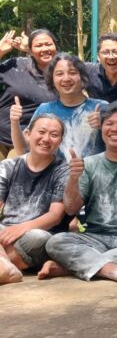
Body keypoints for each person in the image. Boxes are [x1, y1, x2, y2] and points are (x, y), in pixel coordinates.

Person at [41, 101, 117, 286]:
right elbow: (71, 208)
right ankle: (114, 271)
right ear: (101, 128)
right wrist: (73, 179)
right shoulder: (88, 164)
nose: (115, 129)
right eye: (109, 123)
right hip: (94, 237)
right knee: (56, 242)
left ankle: (75, 267)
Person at [0, 114, 68, 284]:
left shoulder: (63, 170)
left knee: (38, 239)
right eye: (42, 132)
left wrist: (20, 228)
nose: (46, 139)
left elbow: (55, 216)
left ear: (60, 141)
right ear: (28, 134)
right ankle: (6, 269)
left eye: (54, 135)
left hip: (36, 232)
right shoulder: (9, 166)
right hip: (5, 232)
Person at [10, 53, 107, 161]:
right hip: (55, 177)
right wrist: (15, 122)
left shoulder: (101, 107)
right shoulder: (44, 110)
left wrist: (105, 125)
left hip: (93, 176)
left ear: (82, 77)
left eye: (72, 73)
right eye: (59, 74)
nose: (66, 78)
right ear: (52, 80)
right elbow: (22, 151)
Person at [0, 29, 58, 159]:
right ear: (30, 50)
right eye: (38, 45)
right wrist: (1, 51)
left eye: (48, 44)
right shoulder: (15, 66)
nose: (44, 48)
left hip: (29, 142)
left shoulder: (63, 72)